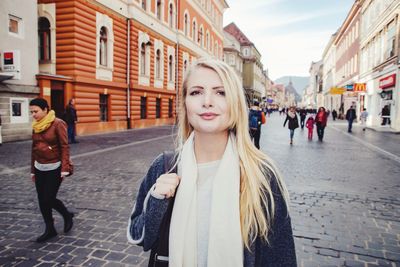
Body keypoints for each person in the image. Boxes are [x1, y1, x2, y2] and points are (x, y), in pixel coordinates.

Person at [127, 58, 296, 266]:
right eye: (196, 92)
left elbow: (281, 259)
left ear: (234, 103)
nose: (207, 101)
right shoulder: (165, 166)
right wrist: (157, 200)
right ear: (185, 103)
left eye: (220, 92)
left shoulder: (261, 175)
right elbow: (139, 237)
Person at [30, 98, 74, 243]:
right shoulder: (36, 126)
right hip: (39, 167)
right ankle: (50, 229)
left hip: (54, 167)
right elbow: (34, 148)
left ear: (45, 110)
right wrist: (32, 169)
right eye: (31, 112)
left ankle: (66, 215)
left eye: (36, 111)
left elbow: (64, 146)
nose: (33, 115)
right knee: (41, 200)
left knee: (48, 198)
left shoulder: (58, 123)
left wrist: (64, 168)